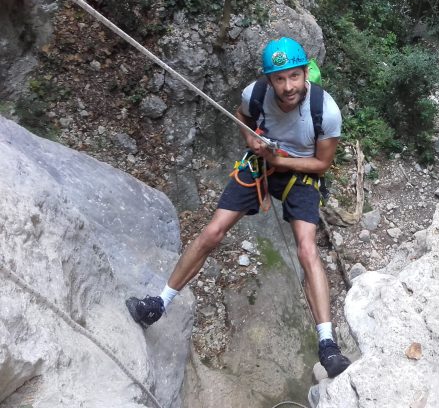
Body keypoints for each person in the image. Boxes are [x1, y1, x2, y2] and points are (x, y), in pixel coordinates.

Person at [126, 37, 351, 378]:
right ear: (268, 79)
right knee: (213, 232)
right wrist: (252, 141)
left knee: (307, 250)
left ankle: (327, 345)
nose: (288, 87)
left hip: (300, 173)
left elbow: (321, 164)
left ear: (306, 73)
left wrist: (281, 159)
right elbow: (242, 116)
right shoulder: (255, 94)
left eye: (294, 76)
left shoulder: (326, 110)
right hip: (260, 165)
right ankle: (159, 303)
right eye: (279, 79)